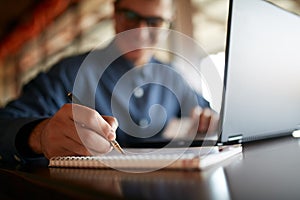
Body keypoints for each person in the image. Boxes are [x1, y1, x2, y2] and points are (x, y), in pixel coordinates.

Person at [0, 0, 217, 164]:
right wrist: (40, 135)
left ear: (168, 24)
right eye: (130, 16)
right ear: (114, 14)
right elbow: (4, 123)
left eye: (154, 22)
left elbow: (206, 114)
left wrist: (207, 120)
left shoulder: (173, 77)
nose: (140, 32)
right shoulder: (68, 73)